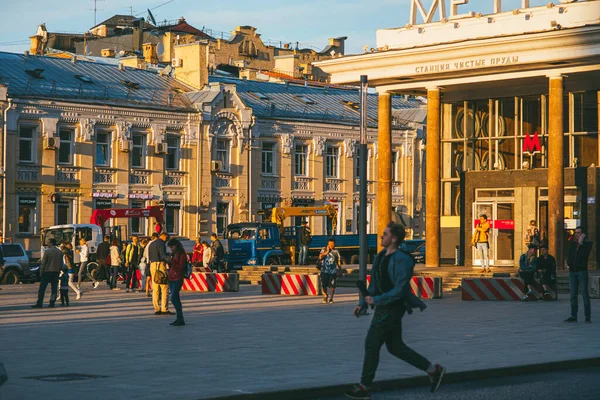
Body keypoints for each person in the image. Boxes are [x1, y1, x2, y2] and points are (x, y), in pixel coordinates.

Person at [345, 223, 445, 400]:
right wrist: (363, 303)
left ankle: (364, 386)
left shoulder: (403, 260)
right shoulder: (381, 256)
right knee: (395, 347)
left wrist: (375, 300)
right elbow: (374, 284)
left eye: (385, 234)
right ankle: (433, 370)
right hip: (384, 306)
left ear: (394, 238)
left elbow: (399, 289)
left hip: (393, 307)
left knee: (372, 343)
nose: (381, 237)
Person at [565, 226, 593, 323]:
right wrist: (568, 263)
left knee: (584, 294)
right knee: (573, 294)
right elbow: (570, 255)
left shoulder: (587, 244)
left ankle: (587, 316)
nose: (577, 235)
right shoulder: (572, 244)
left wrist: (581, 243)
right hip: (572, 272)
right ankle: (573, 315)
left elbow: (583, 255)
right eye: (576, 233)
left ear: (583, 234)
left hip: (581, 272)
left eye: (579, 233)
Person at [32, 238, 63, 308]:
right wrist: (59, 270)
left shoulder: (47, 251)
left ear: (51, 243)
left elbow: (43, 263)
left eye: (48, 243)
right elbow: (61, 263)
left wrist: (41, 271)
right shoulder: (59, 252)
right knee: (54, 288)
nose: (47, 244)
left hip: (47, 272)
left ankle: (39, 303)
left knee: (42, 288)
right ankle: (52, 303)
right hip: (56, 272)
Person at [148, 232, 173, 316]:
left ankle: (156, 309)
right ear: (164, 237)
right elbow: (162, 256)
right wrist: (169, 258)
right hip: (160, 265)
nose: (167, 241)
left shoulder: (151, 244)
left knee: (155, 289)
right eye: (167, 238)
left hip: (152, 265)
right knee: (164, 287)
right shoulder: (161, 243)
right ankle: (164, 309)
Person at [167, 238, 187, 326]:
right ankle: (179, 318)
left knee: (174, 298)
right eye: (170, 247)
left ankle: (180, 318)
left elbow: (181, 266)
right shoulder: (174, 253)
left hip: (177, 278)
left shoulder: (181, 254)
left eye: (172, 247)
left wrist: (172, 262)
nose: (171, 248)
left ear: (176, 245)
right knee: (176, 299)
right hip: (171, 277)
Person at [318, 238, 341, 304]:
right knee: (324, 285)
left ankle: (331, 298)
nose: (331, 245)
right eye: (330, 244)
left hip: (333, 271)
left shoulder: (336, 251)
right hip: (324, 270)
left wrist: (340, 270)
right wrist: (326, 252)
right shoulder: (324, 249)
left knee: (332, 286)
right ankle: (325, 295)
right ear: (328, 243)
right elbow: (320, 257)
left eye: (333, 244)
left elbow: (338, 261)